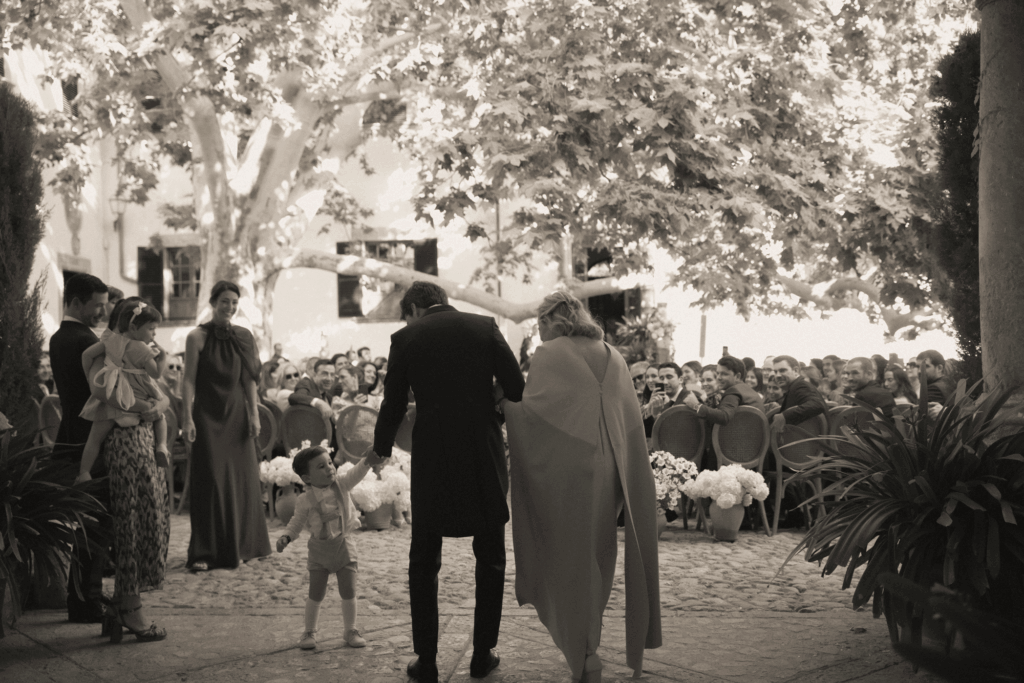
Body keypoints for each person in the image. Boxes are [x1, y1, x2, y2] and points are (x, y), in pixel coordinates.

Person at [366, 281, 525, 683]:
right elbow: (517, 386)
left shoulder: (407, 337)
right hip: (482, 451)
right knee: (490, 557)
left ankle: (428, 660)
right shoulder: (485, 326)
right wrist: (489, 404)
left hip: (434, 455)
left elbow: (394, 401)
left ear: (416, 309)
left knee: (424, 560)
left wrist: (381, 447)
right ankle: (482, 654)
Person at [501, 291, 661, 683]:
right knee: (600, 553)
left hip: (571, 471)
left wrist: (504, 405)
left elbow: (535, 415)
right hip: (613, 470)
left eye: (540, 325)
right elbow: (627, 418)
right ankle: (590, 642)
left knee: (568, 556)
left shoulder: (552, 353)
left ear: (553, 320)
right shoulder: (614, 354)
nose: (538, 334)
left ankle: (585, 651)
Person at [74, 297, 171, 643]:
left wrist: (155, 407)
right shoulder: (112, 351)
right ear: (131, 323)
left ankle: (121, 606)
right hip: (128, 443)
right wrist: (149, 405)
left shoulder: (119, 350)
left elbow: (161, 398)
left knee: (145, 521)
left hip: (140, 441)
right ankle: (129, 607)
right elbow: (108, 393)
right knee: (134, 524)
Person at [181, 280, 271, 571]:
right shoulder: (196, 337)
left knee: (242, 481)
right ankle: (206, 552)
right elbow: (189, 380)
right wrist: (187, 417)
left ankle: (244, 544)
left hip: (236, 414)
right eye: (225, 302)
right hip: (207, 413)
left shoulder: (244, 336)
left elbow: (249, 380)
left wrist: (254, 415)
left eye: (234, 302)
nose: (230, 307)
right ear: (213, 303)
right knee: (211, 482)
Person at [276, 445, 383, 650]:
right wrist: (286, 537)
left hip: (344, 544)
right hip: (319, 549)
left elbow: (356, 473)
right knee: (316, 592)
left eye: (330, 463)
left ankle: (350, 629)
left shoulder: (342, 485)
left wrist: (367, 460)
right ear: (307, 478)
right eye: (321, 466)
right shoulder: (304, 500)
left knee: (349, 590)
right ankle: (309, 631)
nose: (330, 469)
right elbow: (297, 521)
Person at [49, 273, 110, 624]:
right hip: (89, 444)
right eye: (97, 306)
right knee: (95, 525)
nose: (101, 313)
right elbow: (101, 394)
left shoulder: (60, 337)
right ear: (75, 303)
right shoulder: (83, 340)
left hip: (71, 439)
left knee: (86, 525)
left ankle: (81, 598)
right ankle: (86, 601)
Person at [78, 302, 171, 483]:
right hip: (139, 393)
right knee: (160, 417)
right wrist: (163, 357)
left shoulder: (109, 340)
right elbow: (156, 373)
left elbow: (86, 355)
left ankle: (84, 472)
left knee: (95, 437)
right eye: (151, 329)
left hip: (114, 392)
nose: (154, 334)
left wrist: (91, 375)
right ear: (134, 327)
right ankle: (161, 446)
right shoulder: (142, 348)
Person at [684, 355, 764, 424]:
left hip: (739, 440)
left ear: (738, 376)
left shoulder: (734, 391)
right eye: (718, 373)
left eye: (724, 374)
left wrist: (696, 406)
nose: (718, 378)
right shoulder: (746, 389)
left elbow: (724, 416)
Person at [770, 355, 827, 434]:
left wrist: (784, 416)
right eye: (775, 372)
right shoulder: (795, 386)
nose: (777, 375)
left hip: (807, 444)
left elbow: (817, 404)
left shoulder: (800, 386)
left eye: (782, 370)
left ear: (796, 371)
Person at [290, 358, 337, 424]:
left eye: (332, 375)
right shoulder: (306, 383)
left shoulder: (327, 395)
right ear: (314, 375)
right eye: (324, 374)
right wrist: (318, 402)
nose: (329, 378)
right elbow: (294, 397)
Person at [917, 350, 956, 418]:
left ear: (939, 368)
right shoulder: (951, 382)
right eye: (918, 366)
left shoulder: (933, 389)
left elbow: (925, 421)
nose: (919, 371)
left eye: (925, 366)